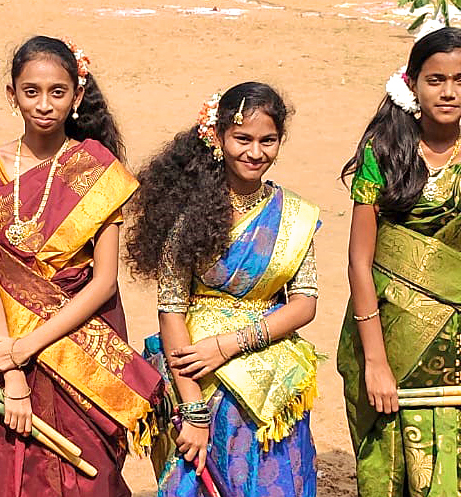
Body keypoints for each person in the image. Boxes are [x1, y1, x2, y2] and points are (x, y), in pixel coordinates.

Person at [0, 35, 161, 497]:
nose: (44, 104)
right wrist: (11, 368)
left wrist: (29, 345)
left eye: (58, 92)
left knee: (89, 475)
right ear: (11, 93)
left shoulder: (98, 169)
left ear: (77, 94)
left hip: (80, 345)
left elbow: (103, 282)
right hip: (4, 339)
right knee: (7, 468)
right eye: (31, 91)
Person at [335, 26, 461, 496]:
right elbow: (359, 260)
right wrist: (374, 360)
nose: (449, 91)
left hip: (458, 346)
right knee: (386, 468)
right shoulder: (383, 153)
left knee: (453, 470)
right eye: (435, 79)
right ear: (412, 82)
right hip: (387, 338)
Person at [126, 82, 321, 496]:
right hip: (197, 376)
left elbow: (305, 302)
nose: (255, 152)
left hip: (271, 380)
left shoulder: (293, 215)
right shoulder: (187, 215)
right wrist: (193, 412)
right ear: (217, 138)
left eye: (268, 140)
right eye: (242, 139)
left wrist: (233, 343)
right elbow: (171, 310)